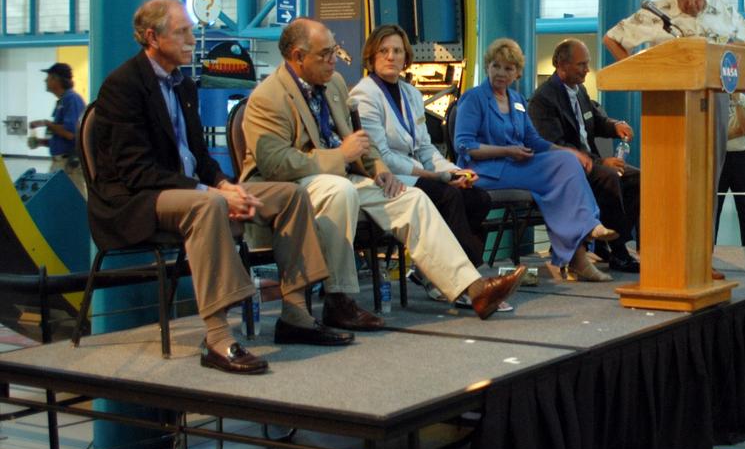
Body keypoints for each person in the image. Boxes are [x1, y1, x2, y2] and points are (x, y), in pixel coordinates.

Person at [91, 0, 341, 374]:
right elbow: (136, 172)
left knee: (290, 195)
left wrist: (227, 185)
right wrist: (212, 194)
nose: (193, 38)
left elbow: (202, 159)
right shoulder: (123, 86)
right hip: (136, 200)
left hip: (187, 189)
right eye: (182, 31)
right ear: (151, 37)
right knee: (207, 207)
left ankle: (295, 313)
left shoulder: (184, 85)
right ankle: (218, 338)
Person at [240, 18, 524, 321]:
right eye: (325, 54)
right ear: (297, 56)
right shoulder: (268, 97)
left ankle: (474, 289)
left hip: (345, 176)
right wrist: (339, 156)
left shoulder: (334, 83)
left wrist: (378, 170)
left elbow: (361, 139)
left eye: (334, 51)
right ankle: (340, 299)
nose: (334, 60)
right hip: (293, 183)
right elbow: (276, 164)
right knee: (342, 190)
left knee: (412, 198)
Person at [453, 38, 617, 282]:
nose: (500, 73)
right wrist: (507, 151)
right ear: (488, 66)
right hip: (485, 169)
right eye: (496, 66)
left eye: (508, 68)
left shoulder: (517, 101)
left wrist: (567, 151)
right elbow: (464, 144)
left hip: (515, 164)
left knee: (566, 161)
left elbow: (534, 141)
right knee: (557, 179)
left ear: (517, 73)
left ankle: (583, 244)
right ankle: (584, 237)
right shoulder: (474, 98)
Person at [603, 0, 745, 204]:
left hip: (714, 99)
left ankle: (704, 238)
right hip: (667, 103)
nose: (692, 2)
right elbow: (612, 38)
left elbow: (743, 36)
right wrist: (641, 74)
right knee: (672, 174)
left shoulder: (721, 8)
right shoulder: (657, 12)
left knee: (709, 177)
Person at [350, 25, 491, 269]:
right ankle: (469, 274)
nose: (391, 56)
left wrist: (454, 172)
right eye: (383, 51)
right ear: (372, 56)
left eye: (397, 50)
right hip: (388, 176)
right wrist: (439, 177)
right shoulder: (364, 95)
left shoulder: (411, 94)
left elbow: (425, 148)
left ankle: (439, 273)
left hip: (417, 172)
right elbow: (382, 157)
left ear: (406, 57)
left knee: (479, 198)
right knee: (449, 195)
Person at [527, 38, 641, 273]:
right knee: (609, 175)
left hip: (591, 163)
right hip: (565, 168)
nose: (587, 70)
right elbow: (556, 145)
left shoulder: (580, 91)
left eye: (587, 64)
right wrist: (601, 162)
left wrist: (614, 125)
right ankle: (619, 253)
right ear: (562, 65)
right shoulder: (543, 100)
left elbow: (596, 122)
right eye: (581, 65)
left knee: (638, 179)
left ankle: (607, 242)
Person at [29, 61, 86, 196]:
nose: (45, 80)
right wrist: (40, 142)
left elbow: (70, 133)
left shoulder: (71, 100)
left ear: (56, 79)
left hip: (69, 164)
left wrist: (46, 123)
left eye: (48, 77)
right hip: (58, 163)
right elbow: (60, 136)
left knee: (75, 202)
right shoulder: (62, 101)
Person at [715, 91, 745, 247]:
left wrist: (737, 104)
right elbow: (710, 132)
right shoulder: (715, 102)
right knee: (715, 207)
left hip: (742, 158)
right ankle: (709, 248)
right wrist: (734, 131)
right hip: (720, 157)